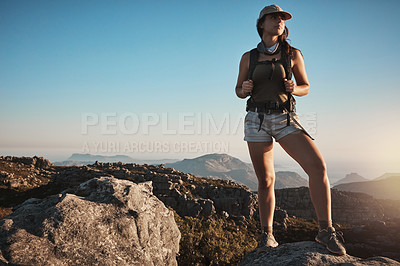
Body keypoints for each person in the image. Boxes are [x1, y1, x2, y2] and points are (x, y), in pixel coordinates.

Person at [235, 4, 346, 255]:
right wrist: (245, 89)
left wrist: (293, 88)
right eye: (274, 18)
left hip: (285, 118)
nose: (279, 22)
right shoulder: (248, 57)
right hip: (256, 119)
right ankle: (267, 236)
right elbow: (238, 91)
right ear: (261, 24)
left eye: (282, 19)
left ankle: (325, 231)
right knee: (266, 180)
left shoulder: (293, 54)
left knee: (318, 167)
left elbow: (306, 86)